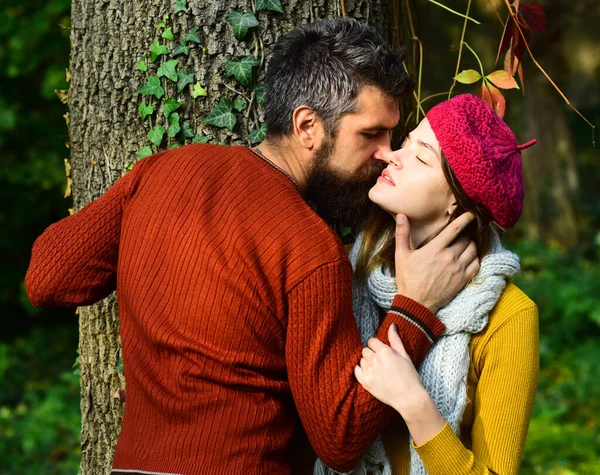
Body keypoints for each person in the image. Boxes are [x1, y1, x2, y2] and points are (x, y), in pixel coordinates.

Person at [25, 19, 479, 475]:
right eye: (370, 134)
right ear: (307, 126)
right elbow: (340, 438)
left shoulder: (160, 172)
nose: (385, 152)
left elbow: (48, 277)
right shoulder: (310, 247)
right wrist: (416, 308)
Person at [319, 94, 538, 474]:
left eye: (420, 157)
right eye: (406, 142)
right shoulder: (339, 268)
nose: (392, 156)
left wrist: (416, 404)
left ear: (457, 203)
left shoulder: (508, 317)